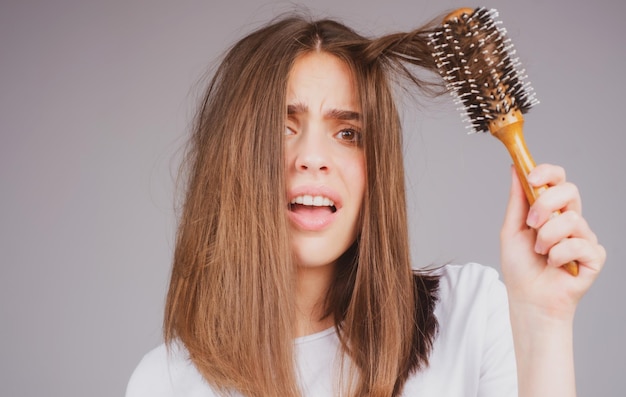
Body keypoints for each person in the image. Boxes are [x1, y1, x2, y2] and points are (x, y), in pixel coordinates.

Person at [126, 14, 606, 397]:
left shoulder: (471, 317)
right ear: (231, 156)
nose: (313, 158)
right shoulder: (165, 384)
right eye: (281, 126)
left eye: (348, 133)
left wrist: (544, 322)